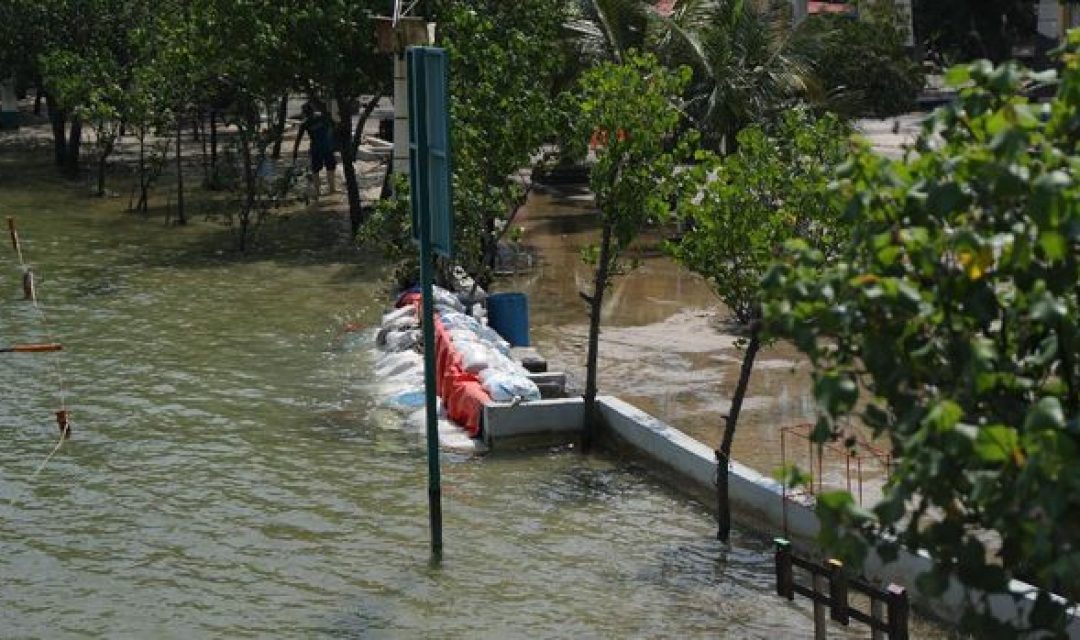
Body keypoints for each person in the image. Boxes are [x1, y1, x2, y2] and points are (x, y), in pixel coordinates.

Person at [292, 102, 337, 197]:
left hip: (316, 148)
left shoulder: (305, 123)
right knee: (330, 167)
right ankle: (332, 189)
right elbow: (333, 127)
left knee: (315, 170)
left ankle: (318, 192)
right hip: (327, 147)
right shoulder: (322, 117)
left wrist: (295, 152)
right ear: (313, 110)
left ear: (304, 112)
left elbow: (298, 140)